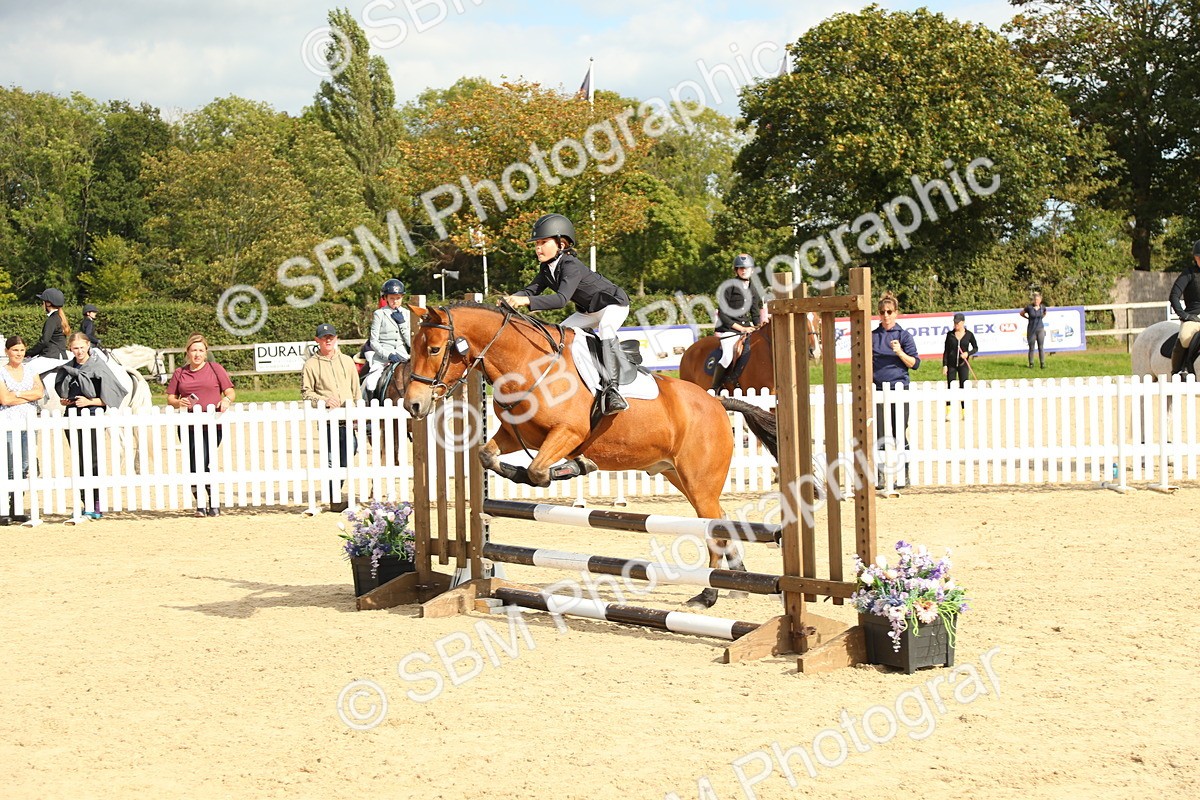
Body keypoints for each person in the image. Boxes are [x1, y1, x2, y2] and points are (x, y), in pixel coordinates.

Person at [501, 213, 632, 415]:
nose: (538, 247)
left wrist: (525, 301)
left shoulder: (570, 265)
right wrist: (511, 299)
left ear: (561, 244)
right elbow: (530, 290)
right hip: (589, 311)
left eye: (544, 242)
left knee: (606, 329)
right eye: (537, 243)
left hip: (613, 305)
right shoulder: (546, 268)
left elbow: (561, 299)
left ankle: (612, 391)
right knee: (562, 335)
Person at [56, 332, 128, 519]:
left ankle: (97, 502)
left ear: (88, 346)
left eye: (82, 347)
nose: (79, 351)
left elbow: (111, 397)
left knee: (94, 459)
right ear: (70, 349)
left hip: (93, 414)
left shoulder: (98, 365)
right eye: (75, 348)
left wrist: (91, 402)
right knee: (79, 460)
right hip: (72, 415)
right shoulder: (68, 367)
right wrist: (67, 401)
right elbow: (66, 391)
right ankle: (84, 501)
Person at [166, 333, 236, 517]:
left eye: (200, 350)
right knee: (192, 464)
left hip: (212, 425)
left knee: (203, 461)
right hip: (188, 426)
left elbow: (230, 391)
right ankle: (201, 504)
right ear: (187, 352)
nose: (197, 354)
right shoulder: (180, 373)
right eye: (193, 350)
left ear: (206, 353)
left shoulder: (215, 369)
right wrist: (178, 403)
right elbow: (170, 397)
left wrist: (227, 400)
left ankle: (212, 502)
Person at [301, 323, 361, 512]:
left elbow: (356, 389)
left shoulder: (347, 361)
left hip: (348, 417)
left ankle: (334, 494)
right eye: (324, 337)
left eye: (331, 337)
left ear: (336, 339)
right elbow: (306, 393)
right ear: (317, 340)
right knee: (331, 459)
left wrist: (358, 413)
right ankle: (334, 498)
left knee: (349, 451)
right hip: (328, 419)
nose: (328, 340)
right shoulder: (311, 364)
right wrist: (324, 400)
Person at [872, 292, 920, 488]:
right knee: (880, 434)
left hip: (899, 389)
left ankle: (905, 474)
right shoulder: (873, 337)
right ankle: (880, 476)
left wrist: (899, 352)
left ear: (896, 313)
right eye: (882, 312)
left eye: (889, 311)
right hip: (878, 391)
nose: (886, 315)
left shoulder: (904, 336)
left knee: (900, 432)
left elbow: (915, 364)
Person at [0, 336, 44, 524]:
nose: (19, 354)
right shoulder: (1, 372)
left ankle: (16, 507)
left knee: (24, 465)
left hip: (28, 423)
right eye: (15, 350)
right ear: (7, 352)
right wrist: (27, 396)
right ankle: (4, 508)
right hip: (8, 423)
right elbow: (5, 400)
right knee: (9, 466)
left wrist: (16, 393)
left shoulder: (31, 369)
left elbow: (40, 393)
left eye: (22, 350)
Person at [711, 254, 765, 392]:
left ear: (752, 270)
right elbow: (723, 314)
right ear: (736, 270)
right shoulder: (729, 287)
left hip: (747, 329)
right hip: (729, 329)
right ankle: (715, 387)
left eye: (746, 268)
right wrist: (740, 328)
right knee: (728, 355)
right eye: (740, 268)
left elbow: (755, 312)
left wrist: (758, 327)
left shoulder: (754, 289)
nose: (743, 270)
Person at [362, 278, 410, 402]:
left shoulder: (407, 314)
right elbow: (374, 342)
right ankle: (371, 411)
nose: (395, 301)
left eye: (398, 298)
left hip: (403, 356)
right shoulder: (379, 314)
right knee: (371, 382)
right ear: (386, 298)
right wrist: (388, 355)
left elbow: (410, 342)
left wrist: (403, 324)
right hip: (383, 358)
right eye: (392, 298)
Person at [1168, 240, 1200, 377]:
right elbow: (1174, 295)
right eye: (1199, 257)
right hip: (1193, 316)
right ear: (1195, 258)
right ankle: (1180, 370)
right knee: (1186, 336)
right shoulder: (1188, 274)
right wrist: (1183, 315)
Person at [25, 287, 71, 378]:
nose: (42, 304)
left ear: (48, 303)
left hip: (51, 357)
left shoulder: (52, 320)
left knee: (25, 371)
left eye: (43, 302)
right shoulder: (59, 317)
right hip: (61, 356)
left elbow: (44, 341)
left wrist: (28, 353)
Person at [941, 312, 979, 419]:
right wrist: (945, 365)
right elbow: (946, 351)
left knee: (963, 387)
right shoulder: (950, 335)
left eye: (958, 322)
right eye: (955, 322)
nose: (956, 324)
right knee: (950, 387)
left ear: (963, 322)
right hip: (951, 364)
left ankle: (964, 411)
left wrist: (968, 353)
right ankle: (948, 412)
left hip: (963, 364)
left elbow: (976, 348)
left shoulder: (969, 335)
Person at [1019, 291, 1048, 369]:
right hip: (1031, 329)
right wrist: (1027, 318)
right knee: (1031, 347)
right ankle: (1031, 363)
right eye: (1035, 300)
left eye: (1038, 300)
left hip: (1040, 329)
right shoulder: (1029, 307)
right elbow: (1021, 313)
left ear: (1040, 300)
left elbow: (1045, 313)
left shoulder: (1042, 307)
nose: (1036, 301)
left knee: (1041, 347)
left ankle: (1042, 363)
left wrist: (1040, 318)